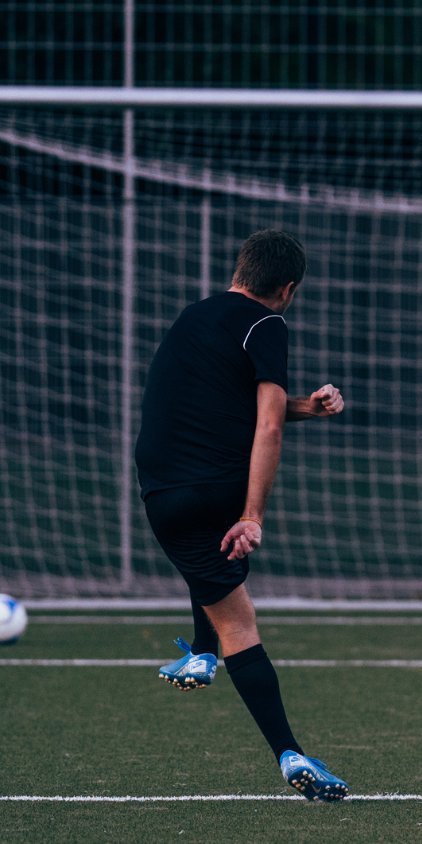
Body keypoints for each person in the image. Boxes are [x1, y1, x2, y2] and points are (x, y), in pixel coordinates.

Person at [134, 229, 352, 802]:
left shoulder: (193, 317)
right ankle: (289, 752)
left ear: (239, 270)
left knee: (207, 562)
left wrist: (308, 404)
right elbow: (267, 425)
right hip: (217, 487)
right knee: (240, 623)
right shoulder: (268, 323)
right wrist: (252, 514)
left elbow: (237, 406)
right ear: (287, 288)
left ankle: (200, 655)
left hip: (160, 493)